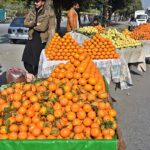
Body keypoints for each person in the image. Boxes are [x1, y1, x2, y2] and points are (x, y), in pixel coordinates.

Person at [22, 0, 56, 76]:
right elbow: (25, 23)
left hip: (40, 39)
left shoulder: (47, 12)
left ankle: (36, 75)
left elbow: (43, 27)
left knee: (37, 60)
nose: (35, 3)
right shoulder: (32, 11)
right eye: (35, 1)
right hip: (31, 37)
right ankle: (32, 73)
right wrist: (34, 23)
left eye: (37, 1)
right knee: (26, 58)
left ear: (43, 2)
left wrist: (32, 25)